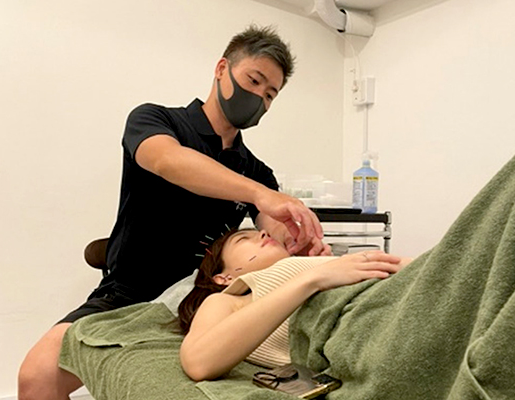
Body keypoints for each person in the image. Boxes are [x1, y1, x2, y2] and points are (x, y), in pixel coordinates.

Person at [18, 25, 332, 400]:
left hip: (200, 301)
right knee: (36, 377)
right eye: (254, 81)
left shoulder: (256, 171)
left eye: (269, 95)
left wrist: (299, 240)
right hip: (128, 294)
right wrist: (260, 194)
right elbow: (167, 161)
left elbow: (273, 227)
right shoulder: (156, 121)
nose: (258, 99)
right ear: (222, 69)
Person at [177, 228, 407, 381]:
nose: (264, 232)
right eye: (243, 239)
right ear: (224, 277)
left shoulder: (321, 265)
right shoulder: (229, 300)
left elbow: (407, 270)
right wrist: (313, 279)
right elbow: (198, 362)